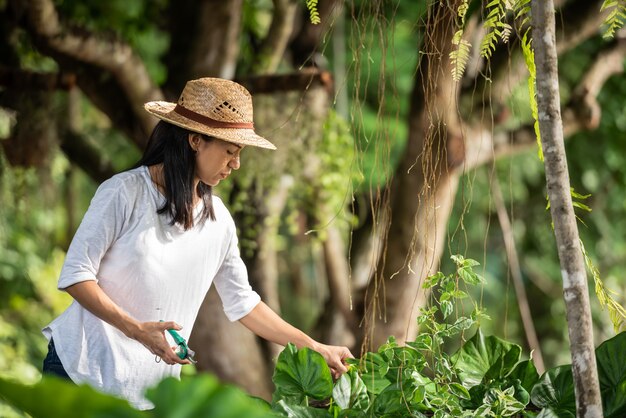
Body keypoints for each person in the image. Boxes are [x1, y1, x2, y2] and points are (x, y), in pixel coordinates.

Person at [41, 77, 353, 410]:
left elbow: (243, 303)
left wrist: (314, 347)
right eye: (230, 151)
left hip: (147, 394)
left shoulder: (218, 220)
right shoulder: (125, 193)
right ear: (195, 141)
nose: (236, 163)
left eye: (240, 153)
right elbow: (76, 275)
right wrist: (136, 330)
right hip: (81, 373)